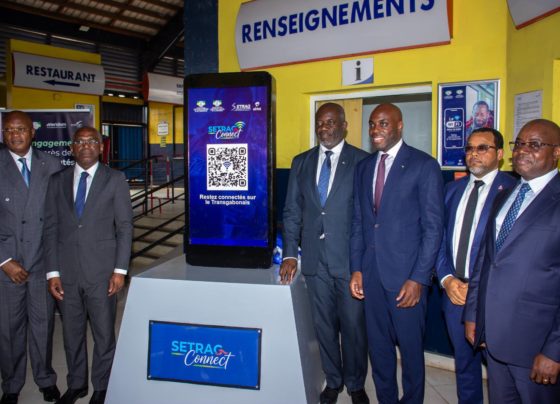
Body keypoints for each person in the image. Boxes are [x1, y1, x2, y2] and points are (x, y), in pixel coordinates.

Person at [350, 103, 444, 404]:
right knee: (378, 350)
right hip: (371, 275)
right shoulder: (364, 167)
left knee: (411, 351)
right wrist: (357, 268)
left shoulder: (423, 165)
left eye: (383, 123)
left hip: (407, 279)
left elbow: (433, 229)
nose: (375, 130)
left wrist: (419, 278)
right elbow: (359, 222)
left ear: (399, 125)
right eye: (372, 124)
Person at [464, 119, 560, 403]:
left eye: (535, 145)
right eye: (519, 144)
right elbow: (486, 263)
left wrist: (555, 350)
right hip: (495, 340)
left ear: (556, 152)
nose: (522, 150)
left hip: (537, 346)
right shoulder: (505, 195)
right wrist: (473, 315)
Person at [280, 103, 370, 404]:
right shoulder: (301, 162)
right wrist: (290, 254)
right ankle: (333, 380)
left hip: (349, 262)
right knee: (324, 327)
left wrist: (363, 263)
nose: (324, 127)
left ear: (344, 125)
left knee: (354, 327)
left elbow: (367, 216)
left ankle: (355, 384)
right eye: (320, 122)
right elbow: (292, 211)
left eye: (331, 122)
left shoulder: (362, 161)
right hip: (314, 261)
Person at [44, 127, 133, 404]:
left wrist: (120, 270)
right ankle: (77, 384)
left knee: (103, 333)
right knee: (71, 333)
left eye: (91, 141)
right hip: (66, 273)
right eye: (80, 142)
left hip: (102, 273)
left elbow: (125, 227)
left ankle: (102, 387)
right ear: (72, 148)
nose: (85, 146)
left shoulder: (115, 179)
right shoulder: (57, 181)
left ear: (100, 146)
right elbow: (50, 227)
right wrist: (52, 272)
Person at [436, 128, 515, 404]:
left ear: (500, 154)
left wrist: (479, 288)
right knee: (464, 366)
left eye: (483, 148)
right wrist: (446, 279)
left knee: (501, 373)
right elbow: (438, 238)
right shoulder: (451, 190)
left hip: (493, 298)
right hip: (455, 294)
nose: (474, 154)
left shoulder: (513, 191)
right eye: (469, 148)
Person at [0, 111, 61, 404]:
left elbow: (60, 217)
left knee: (43, 325)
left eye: (21, 129)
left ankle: (45, 379)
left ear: (32, 132)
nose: (15, 134)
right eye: (9, 130)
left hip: (42, 263)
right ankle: (11, 385)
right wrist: (4, 261)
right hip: (7, 265)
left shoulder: (52, 165)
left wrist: (55, 266)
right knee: (9, 329)